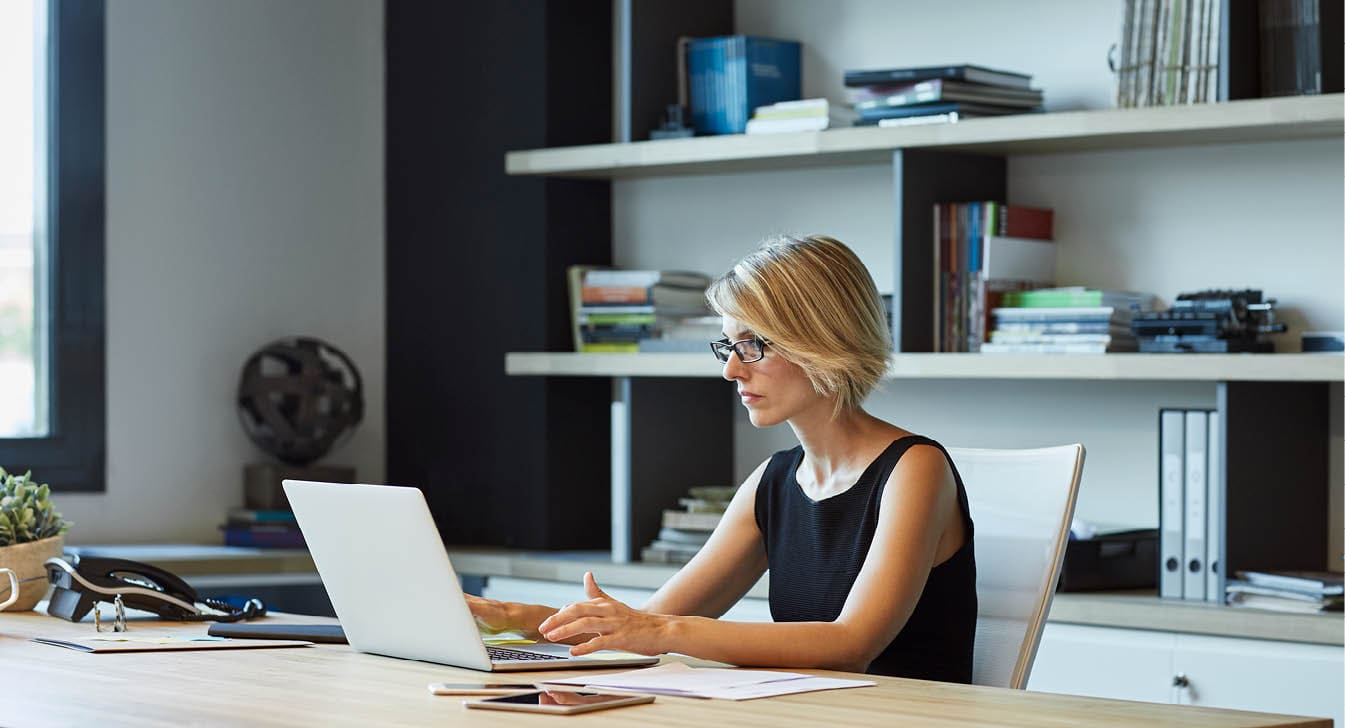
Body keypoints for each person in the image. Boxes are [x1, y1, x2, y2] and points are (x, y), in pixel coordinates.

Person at [468, 235, 977, 681]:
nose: (732, 370)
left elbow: (850, 646)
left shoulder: (915, 469)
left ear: (821, 339)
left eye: (753, 346)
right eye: (729, 346)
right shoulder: (774, 481)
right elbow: (647, 622)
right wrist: (512, 616)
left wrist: (661, 630)